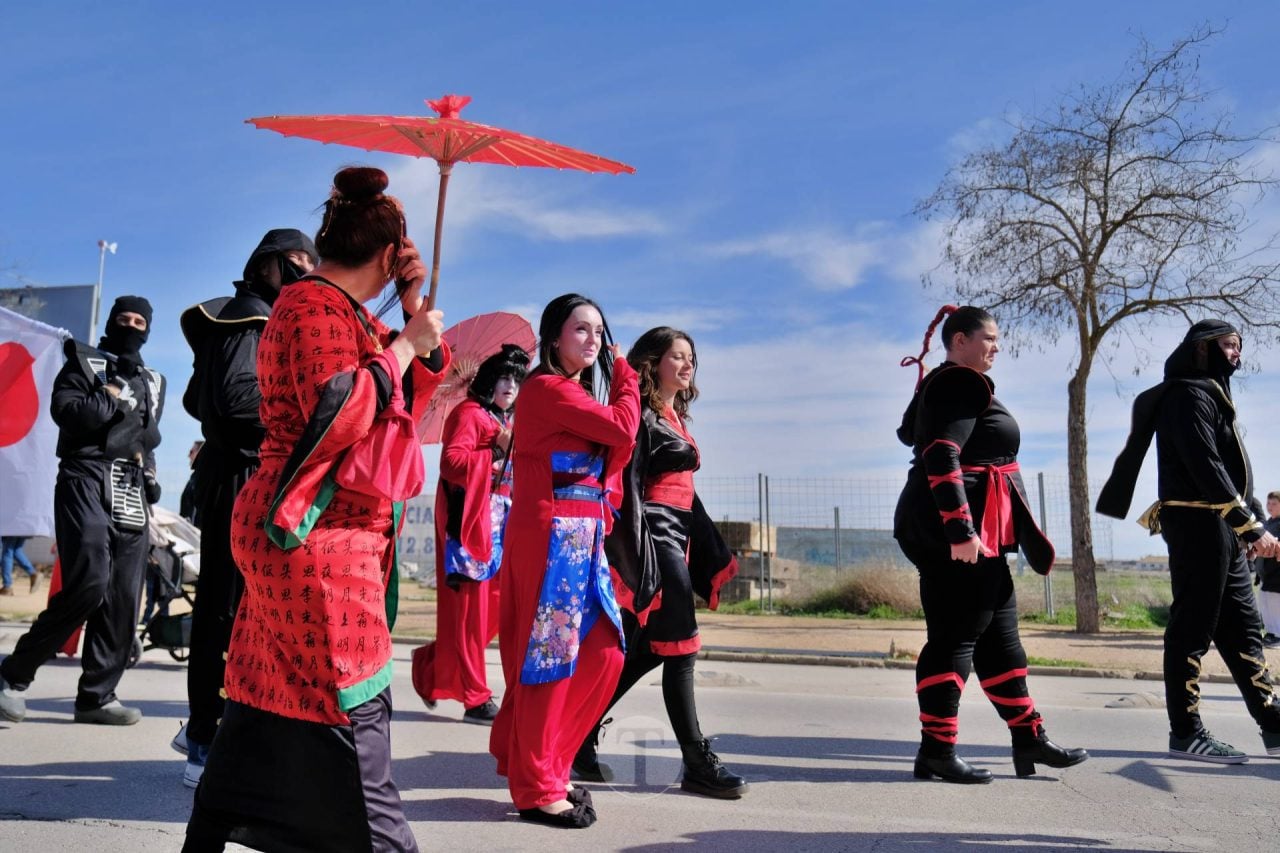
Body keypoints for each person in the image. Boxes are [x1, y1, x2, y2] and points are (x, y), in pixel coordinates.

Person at [183, 167, 448, 852]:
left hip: (319, 531)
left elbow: (413, 391)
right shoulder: (310, 305)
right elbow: (335, 410)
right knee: (351, 704)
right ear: (386, 255)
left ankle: (215, 824)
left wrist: (412, 313)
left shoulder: (346, 312)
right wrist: (401, 345)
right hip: (313, 536)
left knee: (260, 699)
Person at [893, 305, 1087, 783]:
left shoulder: (950, 383)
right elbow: (941, 453)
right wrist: (960, 530)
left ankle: (1029, 738)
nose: (997, 347)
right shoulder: (958, 382)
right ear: (959, 340)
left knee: (1001, 637)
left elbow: (921, 439)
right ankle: (937, 750)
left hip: (981, 532)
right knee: (956, 636)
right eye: (990, 338)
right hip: (955, 533)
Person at [573, 326, 746, 798]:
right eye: (677, 356)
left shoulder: (673, 417)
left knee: (650, 650)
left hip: (678, 538)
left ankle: (579, 736)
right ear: (653, 363)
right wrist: (637, 555)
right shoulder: (642, 416)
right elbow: (627, 488)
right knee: (683, 648)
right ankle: (697, 762)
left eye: (691, 357)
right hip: (655, 540)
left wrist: (710, 549)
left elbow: (687, 496)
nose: (688, 365)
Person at [172, 229, 318, 789]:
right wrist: (301, 411)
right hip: (239, 473)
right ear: (265, 265)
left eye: (311, 262)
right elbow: (234, 401)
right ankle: (204, 737)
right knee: (227, 607)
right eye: (296, 261)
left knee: (242, 606)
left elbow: (196, 398)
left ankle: (214, 727)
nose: (306, 271)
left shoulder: (253, 319)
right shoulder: (251, 318)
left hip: (243, 471)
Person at [1098, 319, 1280, 763]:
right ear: (1202, 349)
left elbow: (1228, 470)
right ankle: (1186, 733)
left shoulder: (1212, 395)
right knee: (1191, 629)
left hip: (1222, 528)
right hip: (1198, 525)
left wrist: (1246, 524)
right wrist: (1249, 525)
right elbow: (1205, 465)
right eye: (1228, 345)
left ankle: (1274, 725)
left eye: (1238, 346)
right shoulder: (1187, 395)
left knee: (1243, 631)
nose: (1236, 354)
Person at [489, 293, 640, 829]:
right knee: (549, 661)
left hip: (583, 537)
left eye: (599, 330)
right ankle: (536, 787)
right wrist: (625, 375)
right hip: (552, 537)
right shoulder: (545, 388)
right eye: (581, 329)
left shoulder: (571, 393)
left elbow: (614, 446)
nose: (593, 339)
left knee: (605, 654)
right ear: (554, 337)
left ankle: (548, 764)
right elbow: (622, 429)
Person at [0, 297, 165, 726]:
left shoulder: (153, 380)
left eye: (140, 322)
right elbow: (69, 414)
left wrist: (149, 473)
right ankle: (12, 675)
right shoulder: (84, 362)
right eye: (124, 320)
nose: (132, 327)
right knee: (89, 584)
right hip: (84, 475)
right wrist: (111, 392)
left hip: (130, 487)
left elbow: (146, 436)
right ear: (110, 322)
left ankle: (97, 696)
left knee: (123, 596)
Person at [411, 344, 529, 724]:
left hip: (502, 525)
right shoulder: (469, 414)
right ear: (489, 381)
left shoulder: (506, 420)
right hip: (470, 525)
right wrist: (496, 452)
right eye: (504, 378)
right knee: (470, 614)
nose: (510, 386)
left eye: (517, 380)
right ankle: (476, 697)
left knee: (497, 610)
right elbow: (451, 463)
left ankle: (433, 664)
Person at [1258, 492, 1280, 646]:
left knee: (1275, 604)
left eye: (1274, 504)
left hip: (1277, 573)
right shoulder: (1266, 524)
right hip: (1265, 573)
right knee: (1265, 603)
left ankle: (1278, 635)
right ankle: (1270, 633)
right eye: (1268, 503)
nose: (1270, 506)